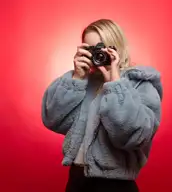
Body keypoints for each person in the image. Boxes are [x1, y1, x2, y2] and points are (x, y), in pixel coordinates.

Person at [41, 19, 163, 192]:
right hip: (77, 180)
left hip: (116, 185)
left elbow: (136, 135)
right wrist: (76, 79)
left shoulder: (139, 84)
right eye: (91, 50)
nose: (97, 55)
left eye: (103, 48)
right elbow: (53, 119)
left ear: (117, 47)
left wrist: (115, 83)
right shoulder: (81, 81)